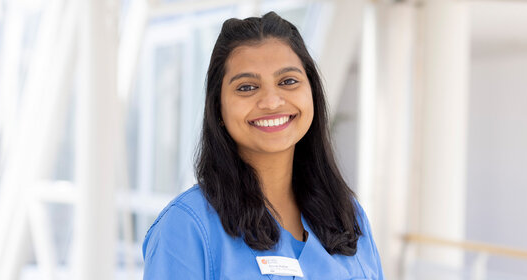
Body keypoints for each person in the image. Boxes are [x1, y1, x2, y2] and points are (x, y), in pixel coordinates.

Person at [142, 11, 384, 279]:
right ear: (217, 108)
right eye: (247, 87)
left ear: (312, 93)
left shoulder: (349, 216)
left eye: (288, 81)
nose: (271, 101)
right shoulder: (187, 227)